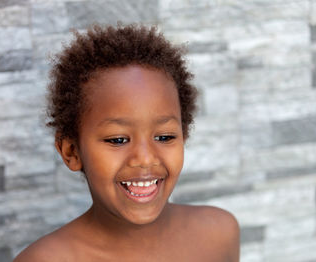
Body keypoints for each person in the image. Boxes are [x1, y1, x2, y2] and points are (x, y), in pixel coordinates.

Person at [14, 24, 240, 262]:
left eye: (164, 137)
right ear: (72, 152)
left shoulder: (219, 233)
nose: (145, 158)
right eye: (118, 140)